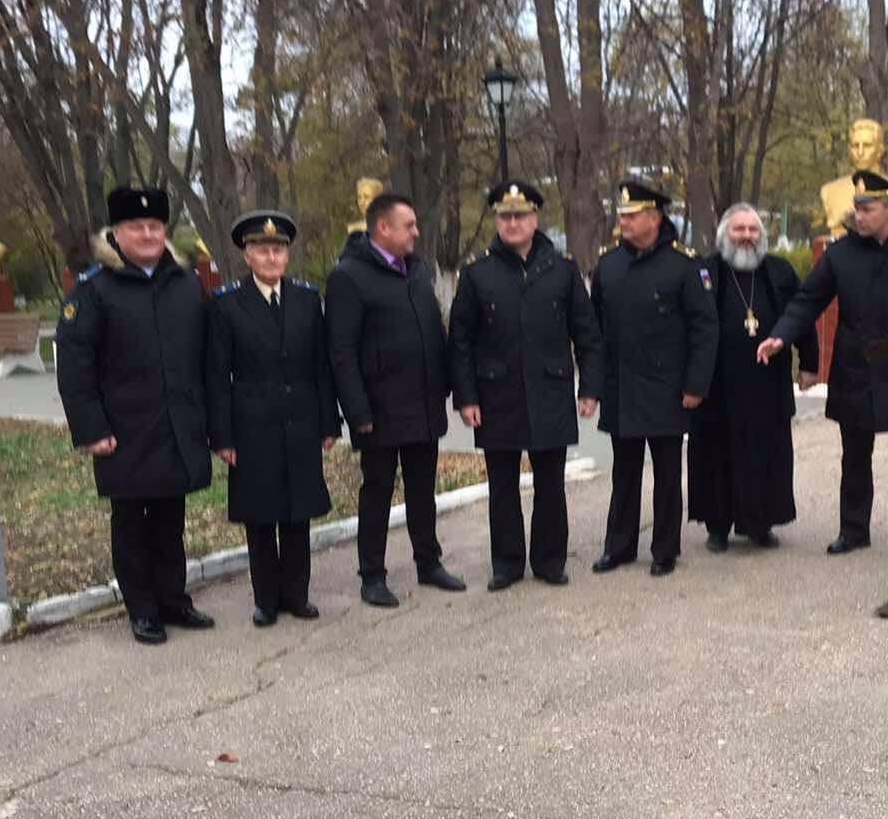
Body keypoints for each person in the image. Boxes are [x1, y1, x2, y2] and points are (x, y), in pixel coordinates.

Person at [758, 169, 888, 555]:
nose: (859, 216)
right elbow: (808, 299)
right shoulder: (841, 254)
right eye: (857, 208)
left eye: (868, 209)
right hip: (856, 370)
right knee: (855, 458)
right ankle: (854, 529)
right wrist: (781, 334)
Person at [55, 186, 215, 644]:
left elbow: (206, 356)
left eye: (155, 226)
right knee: (130, 524)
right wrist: (91, 429)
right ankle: (142, 608)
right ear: (116, 233)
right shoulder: (93, 289)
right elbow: (75, 364)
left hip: (177, 425)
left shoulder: (185, 284)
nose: (147, 234)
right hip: (123, 430)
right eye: (136, 227)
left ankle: (174, 599)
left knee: (170, 519)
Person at [450, 182, 604, 590]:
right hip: (496, 395)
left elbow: (586, 332)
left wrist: (590, 387)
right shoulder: (477, 273)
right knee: (502, 485)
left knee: (550, 483)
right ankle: (507, 563)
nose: (512, 223)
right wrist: (466, 397)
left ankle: (550, 561)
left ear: (535, 219)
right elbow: (460, 341)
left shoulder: (562, 270)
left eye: (520, 215)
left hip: (550, 391)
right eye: (505, 216)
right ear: (497, 220)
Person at [325, 191, 465, 607]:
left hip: (423, 403)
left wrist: (446, 386)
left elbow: (433, 332)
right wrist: (357, 410)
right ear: (383, 228)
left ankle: (429, 562)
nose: (416, 233)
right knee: (378, 492)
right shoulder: (349, 277)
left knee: (423, 490)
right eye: (409, 226)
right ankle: (372, 575)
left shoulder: (416, 271)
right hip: (379, 410)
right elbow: (341, 351)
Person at [206, 210, 343, 627]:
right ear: (246, 255)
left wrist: (329, 422)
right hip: (252, 426)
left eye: (278, 250)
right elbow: (216, 376)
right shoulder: (227, 303)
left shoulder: (306, 299)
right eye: (262, 250)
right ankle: (266, 599)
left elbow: (321, 366)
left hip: (301, 421)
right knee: (261, 515)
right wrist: (222, 437)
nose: (271, 257)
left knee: (298, 513)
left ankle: (297, 595)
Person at [591, 180, 719, 576]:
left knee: (667, 474)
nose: (624, 221)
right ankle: (619, 546)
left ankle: (665, 549)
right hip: (622, 387)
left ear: (654, 217)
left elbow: (704, 328)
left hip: (668, 389)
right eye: (622, 215)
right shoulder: (609, 264)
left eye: (632, 215)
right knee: (624, 473)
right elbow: (595, 330)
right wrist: (594, 384)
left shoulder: (685, 265)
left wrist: (696, 385)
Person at [687, 203, 819, 552]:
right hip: (717, 384)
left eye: (753, 230)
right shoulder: (704, 271)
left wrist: (809, 364)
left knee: (765, 455)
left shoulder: (779, 271)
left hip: (767, 383)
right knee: (716, 454)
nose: (747, 236)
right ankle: (717, 526)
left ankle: (759, 524)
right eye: (739, 229)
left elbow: (801, 316)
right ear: (724, 235)